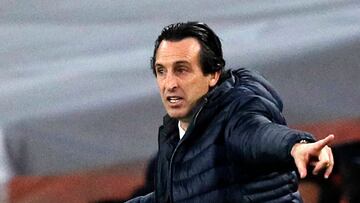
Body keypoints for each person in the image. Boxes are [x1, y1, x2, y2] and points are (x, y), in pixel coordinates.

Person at [126, 21, 334, 203]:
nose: (169, 83)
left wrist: (296, 145)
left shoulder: (235, 112)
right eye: (161, 71)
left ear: (213, 75)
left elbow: (258, 135)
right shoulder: (174, 135)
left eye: (182, 70)